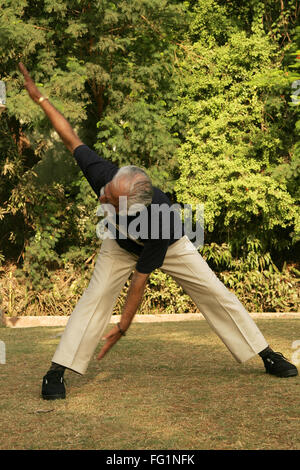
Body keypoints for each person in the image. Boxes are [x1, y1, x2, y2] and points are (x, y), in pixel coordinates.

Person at [18, 63, 298, 401]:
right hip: (119, 244)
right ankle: (56, 371)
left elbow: (139, 281)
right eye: (106, 191)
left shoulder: (161, 223)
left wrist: (123, 326)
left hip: (170, 244)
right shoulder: (103, 175)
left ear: (134, 208)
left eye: (111, 199)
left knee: (214, 291)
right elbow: (69, 136)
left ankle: (266, 353)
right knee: (93, 298)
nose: (102, 196)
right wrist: (40, 97)